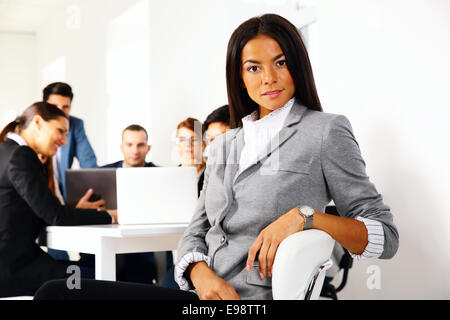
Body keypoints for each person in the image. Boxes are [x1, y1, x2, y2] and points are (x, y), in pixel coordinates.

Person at [34, 13, 398, 300]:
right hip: (199, 295)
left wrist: (307, 218)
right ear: (240, 77)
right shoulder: (224, 145)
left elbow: (385, 235)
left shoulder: (325, 131)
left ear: (297, 65)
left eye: (281, 62)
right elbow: (195, 233)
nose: (268, 77)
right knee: (58, 292)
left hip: (251, 297)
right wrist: (199, 274)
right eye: (253, 67)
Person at [0, 102, 117, 297]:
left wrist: (75, 209)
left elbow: (42, 210)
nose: (64, 141)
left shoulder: (6, 150)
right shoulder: (21, 155)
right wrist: (110, 216)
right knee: (92, 280)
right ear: (38, 123)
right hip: (13, 268)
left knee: (85, 273)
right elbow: (56, 216)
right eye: (60, 131)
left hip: (15, 262)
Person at [80, 125, 173, 285]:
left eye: (140, 145)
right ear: (122, 147)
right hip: (110, 239)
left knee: (138, 268)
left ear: (148, 147)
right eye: (129, 145)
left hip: (145, 243)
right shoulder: (101, 174)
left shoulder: (161, 175)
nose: (135, 151)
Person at [43, 82, 98, 200]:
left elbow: (89, 164)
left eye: (65, 107)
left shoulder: (75, 125)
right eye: (54, 106)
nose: (60, 112)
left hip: (62, 196)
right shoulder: (31, 127)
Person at [176, 118, 206, 196]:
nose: (188, 144)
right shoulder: (171, 175)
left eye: (194, 139)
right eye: (182, 140)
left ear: (203, 143)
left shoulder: (212, 174)